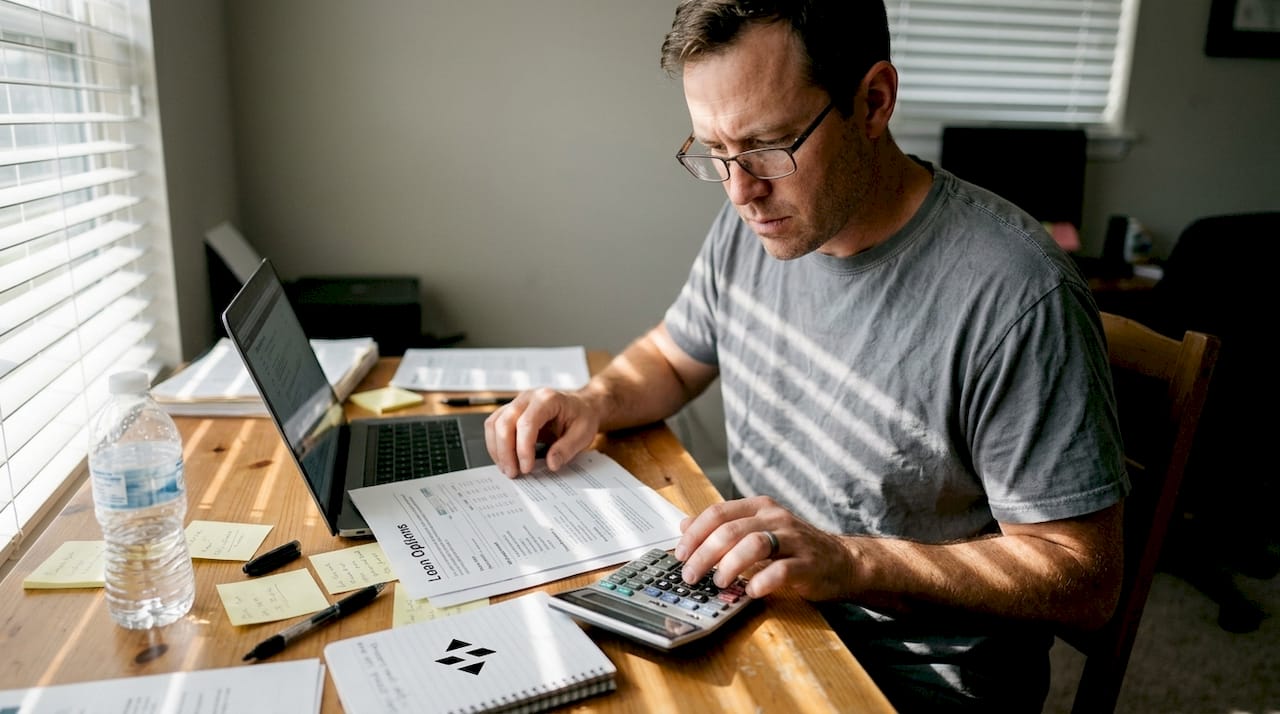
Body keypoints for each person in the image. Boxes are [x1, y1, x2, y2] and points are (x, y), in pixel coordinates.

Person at [484, 1, 1129, 711]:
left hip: (906, 680)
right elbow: (672, 358)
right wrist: (594, 399)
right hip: (753, 616)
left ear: (873, 102)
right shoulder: (761, 226)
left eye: (768, 145)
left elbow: (1087, 582)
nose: (740, 191)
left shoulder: (1016, 294)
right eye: (714, 151)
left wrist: (852, 561)